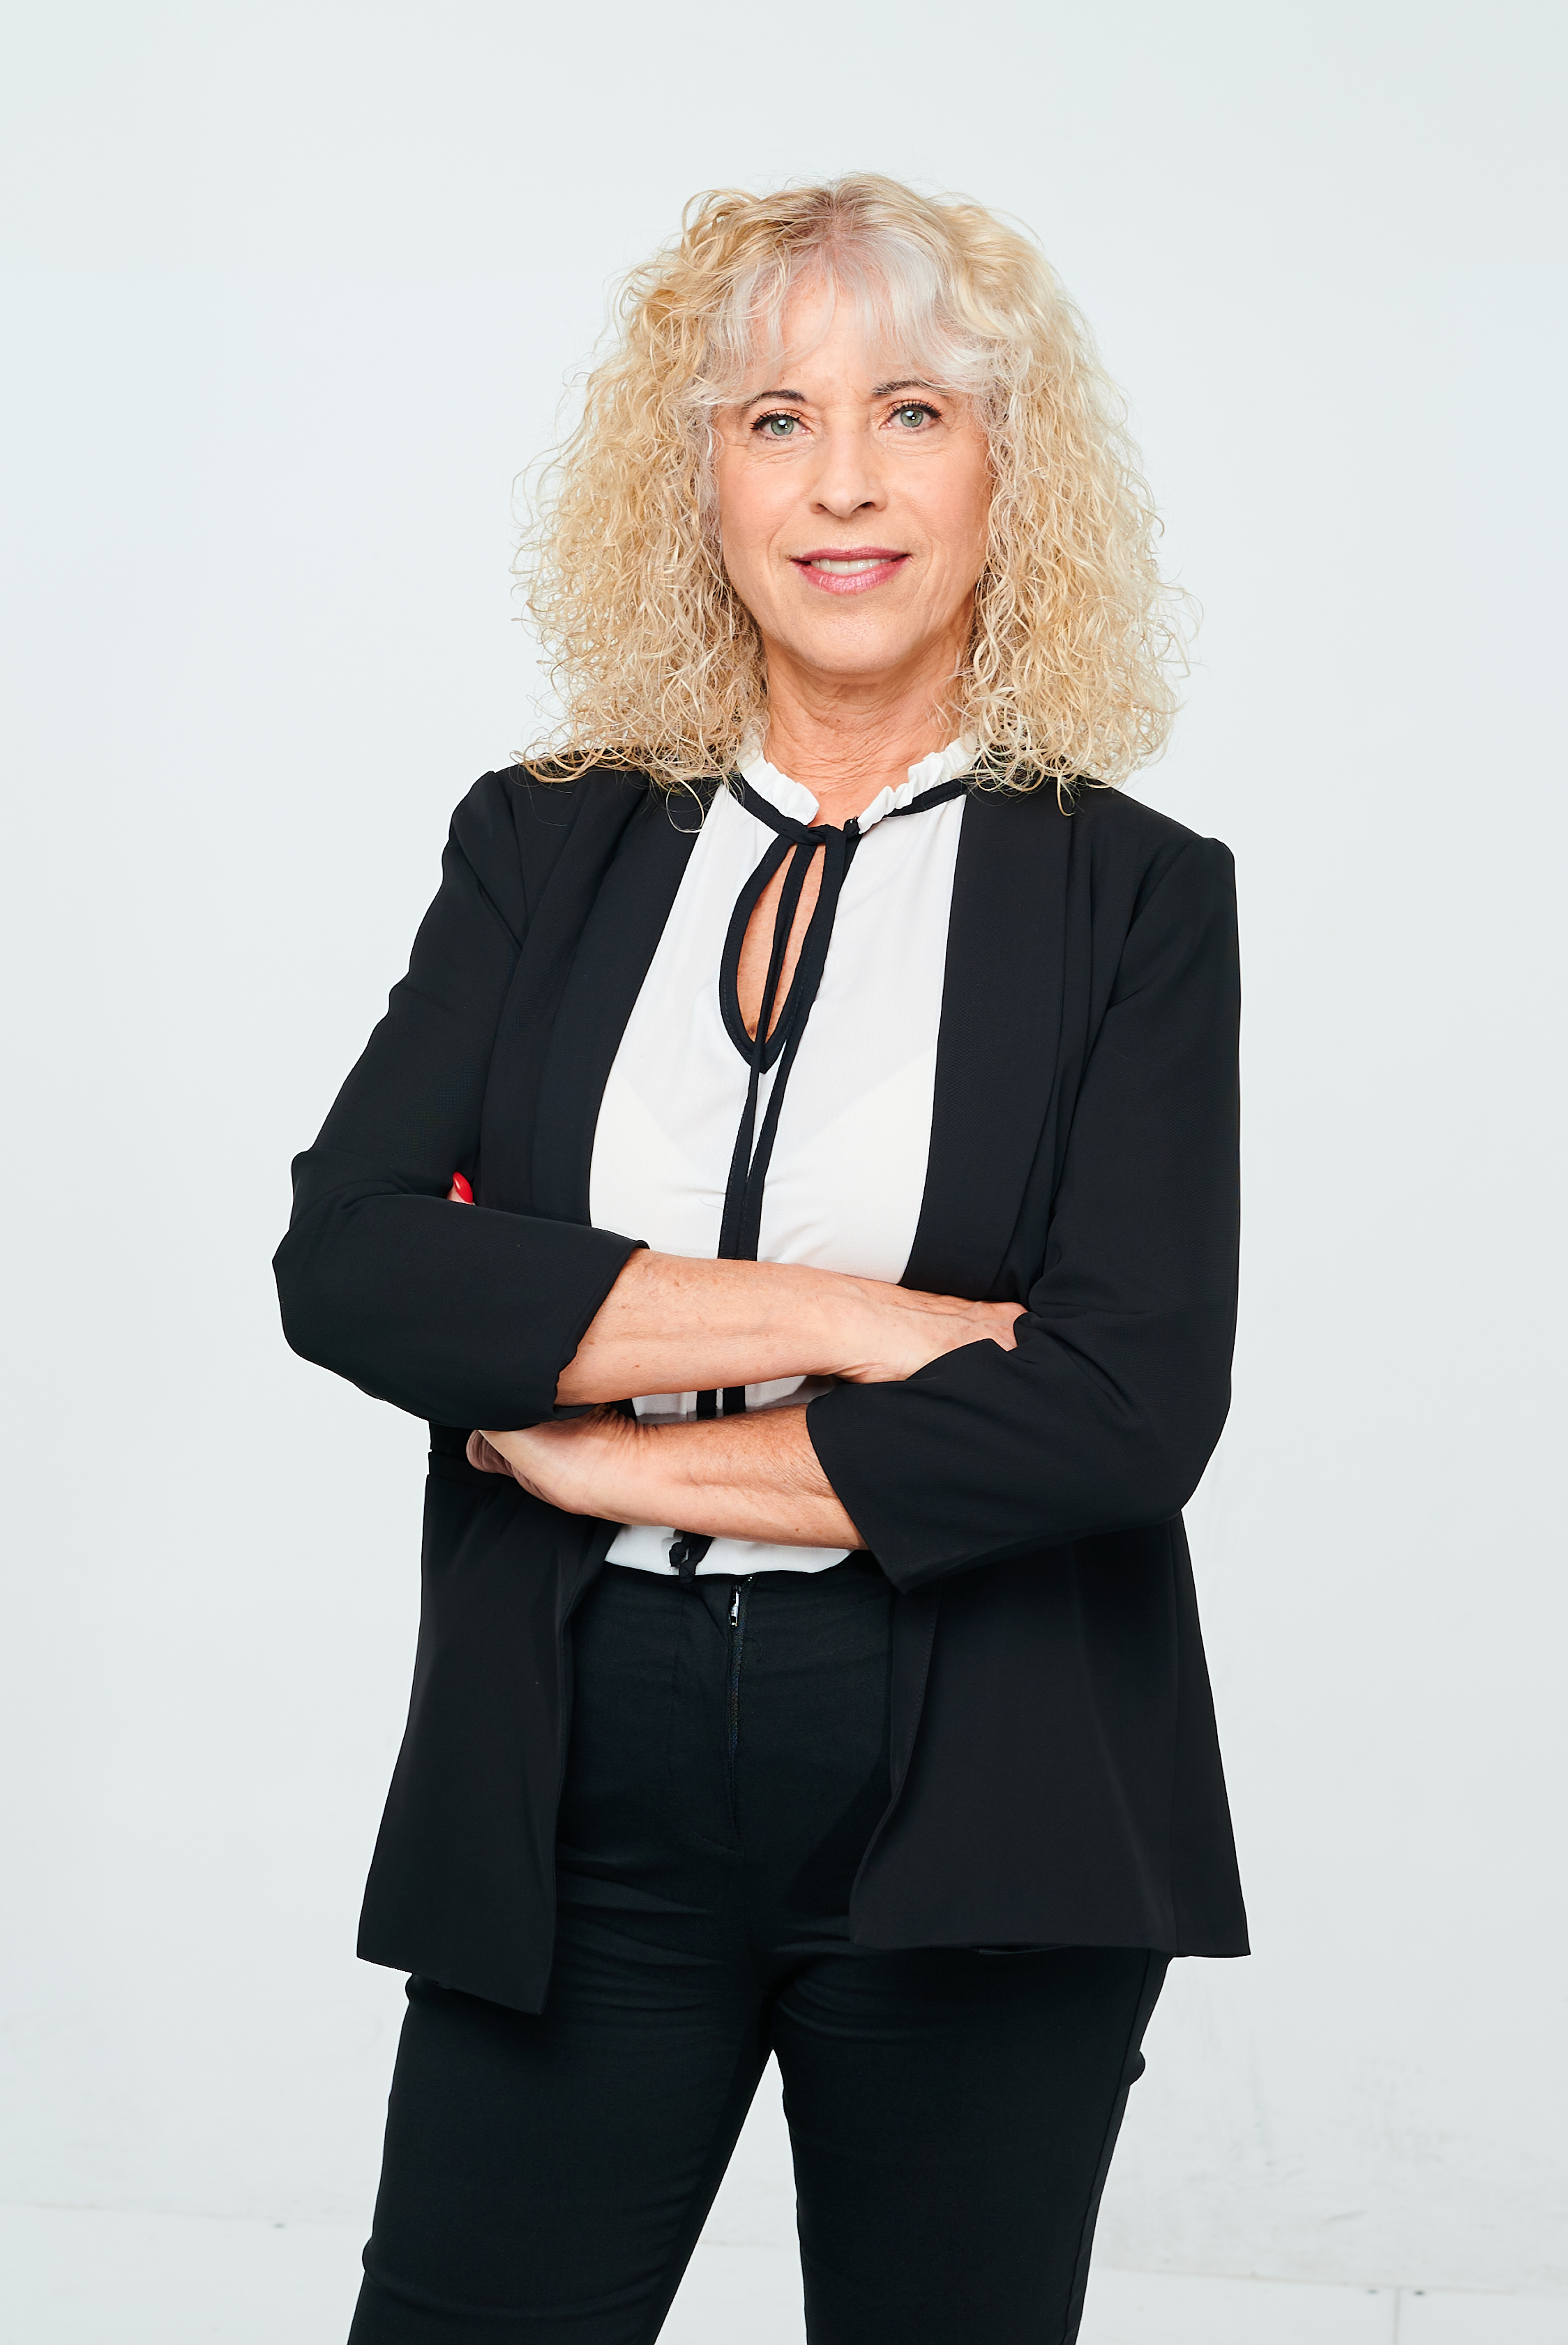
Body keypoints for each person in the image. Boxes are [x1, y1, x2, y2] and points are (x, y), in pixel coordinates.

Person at [274, 173, 1246, 2345]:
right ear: (696, 476)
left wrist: (595, 1446)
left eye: (912, 411)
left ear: (1007, 469)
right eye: (775, 418)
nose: (844, 484)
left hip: (983, 1775)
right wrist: (873, 1329)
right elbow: (355, 1261)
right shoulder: (543, 840)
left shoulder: (1137, 898)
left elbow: (1120, 1412)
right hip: (573, 1765)